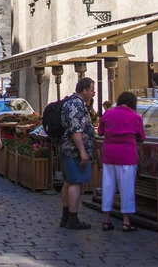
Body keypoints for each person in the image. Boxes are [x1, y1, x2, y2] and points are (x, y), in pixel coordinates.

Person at [98, 91, 145, 232]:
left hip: (109, 155)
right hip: (127, 156)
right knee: (127, 187)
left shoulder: (107, 114)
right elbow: (141, 137)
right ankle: (126, 222)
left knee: (108, 186)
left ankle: (106, 219)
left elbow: (100, 132)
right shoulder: (135, 117)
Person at [58, 77, 96, 229]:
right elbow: (76, 130)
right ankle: (72, 218)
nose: (94, 93)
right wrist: (82, 151)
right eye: (92, 90)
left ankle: (66, 217)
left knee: (69, 181)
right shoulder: (76, 105)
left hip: (68, 149)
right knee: (75, 182)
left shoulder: (73, 102)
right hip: (73, 151)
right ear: (84, 90)